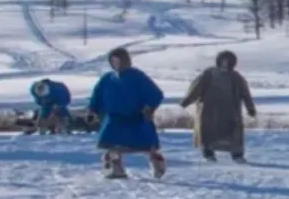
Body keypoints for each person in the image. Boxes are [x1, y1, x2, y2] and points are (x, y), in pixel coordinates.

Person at [88, 47, 165, 179]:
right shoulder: (107, 79)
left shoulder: (138, 77)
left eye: (119, 60)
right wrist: (92, 110)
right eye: (114, 61)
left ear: (126, 60)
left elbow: (155, 93)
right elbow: (97, 95)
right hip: (114, 119)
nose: (117, 64)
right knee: (111, 145)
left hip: (137, 117)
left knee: (147, 145)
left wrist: (149, 108)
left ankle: (158, 165)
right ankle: (117, 170)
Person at [180, 51, 256, 163]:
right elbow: (196, 89)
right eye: (223, 61)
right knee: (208, 134)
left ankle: (237, 155)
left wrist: (250, 108)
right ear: (218, 61)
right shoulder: (208, 75)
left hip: (231, 112)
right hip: (210, 112)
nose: (225, 64)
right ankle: (208, 153)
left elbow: (245, 93)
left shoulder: (236, 77)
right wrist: (187, 101)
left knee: (233, 134)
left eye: (228, 62)